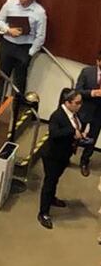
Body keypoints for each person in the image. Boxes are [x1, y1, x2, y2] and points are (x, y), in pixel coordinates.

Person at [0, 0, 47, 116]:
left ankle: (16, 108)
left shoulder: (39, 12)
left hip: (25, 48)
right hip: (8, 43)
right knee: (3, 75)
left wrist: (30, 53)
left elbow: (40, 36)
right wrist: (8, 29)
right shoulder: (10, 3)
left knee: (20, 80)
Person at [39, 88, 84, 229]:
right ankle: (43, 212)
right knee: (50, 182)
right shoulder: (57, 115)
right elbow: (54, 134)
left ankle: (52, 198)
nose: (80, 105)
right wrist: (72, 131)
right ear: (68, 102)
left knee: (55, 179)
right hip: (52, 155)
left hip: (64, 154)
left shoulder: (73, 114)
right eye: (77, 103)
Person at [76, 51, 101, 177]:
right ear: (98, 61)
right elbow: (78, 90)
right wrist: (92, 93)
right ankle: (67, 154)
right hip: (85, 109)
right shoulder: (86, 72)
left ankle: (85, 161)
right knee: (76, 133)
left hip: (99, 113)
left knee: (92, 137)